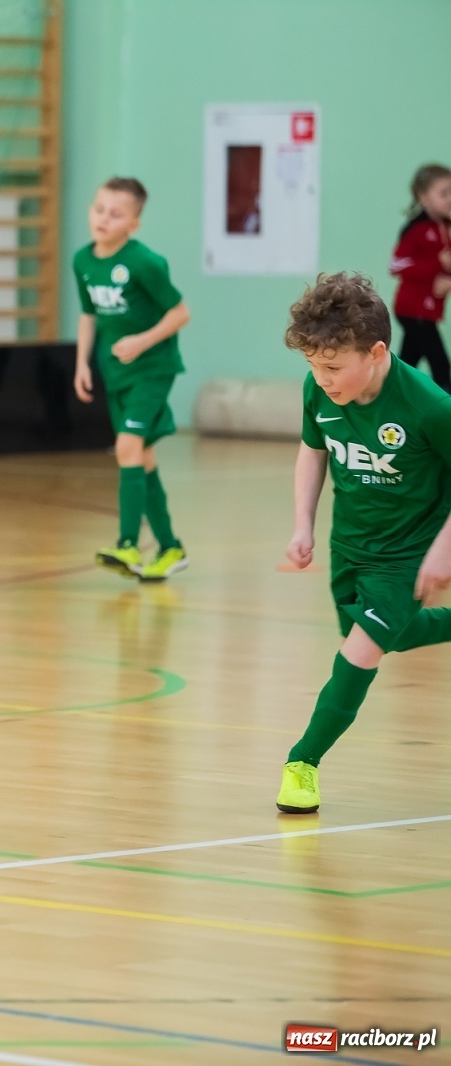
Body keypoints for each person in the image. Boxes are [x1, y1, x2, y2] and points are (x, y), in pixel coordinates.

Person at [277, 272, 451, 814]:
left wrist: (444, 549)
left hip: (408, 553)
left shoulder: (428, 405)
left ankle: (302, 762)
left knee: (360, 652)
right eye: (312, 366)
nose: (320, 378)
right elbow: (313, 450)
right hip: (350, 546)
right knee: (385, 636)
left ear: (376, 352)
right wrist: (302, 524)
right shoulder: (319, 390)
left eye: (332, 367)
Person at [72, 177, 192, 582]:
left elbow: (179, 313)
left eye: (116, 213)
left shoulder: (145, 263)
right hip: (116, 373)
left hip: (153, 370)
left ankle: (126, 544)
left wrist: (142, 341)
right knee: (142, 458)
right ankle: (170, 547)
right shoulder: (83, 261)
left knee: (126, 448)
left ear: (134, 224)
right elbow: (89, 314)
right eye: (99, 209)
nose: (104, 218)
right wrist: (82, 363)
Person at [388, 163, 451, 392]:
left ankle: (389, 399)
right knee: (440, 364)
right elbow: (396, 265)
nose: (450, 199)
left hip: (430, 311)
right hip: (412, 310)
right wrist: (437, 264)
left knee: (407, 363)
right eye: (444, 193)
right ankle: (446, 414)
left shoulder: (446, 228)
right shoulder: (416, 229)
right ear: (423, 197)